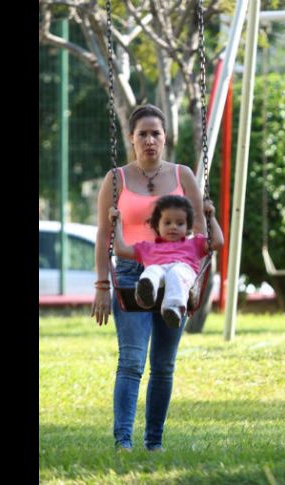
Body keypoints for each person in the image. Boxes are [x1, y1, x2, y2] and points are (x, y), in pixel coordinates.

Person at [91, 104, 209, 452]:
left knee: (163, 364)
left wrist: (196, 279)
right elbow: (103, 235)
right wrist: (101, 285)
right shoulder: (117, 179)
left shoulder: (182, 175)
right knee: (130, 360)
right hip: (130, 274)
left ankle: (153, 442)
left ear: (165, 137)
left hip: (175, 274)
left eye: (155, 133)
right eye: (142, 134)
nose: (149, 140)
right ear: (131, 139)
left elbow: (201, 228)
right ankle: (123, 441)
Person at [109, 195, 224, 327]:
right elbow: (121, 250)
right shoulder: (147, 247)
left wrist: (211, 217)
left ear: (188, 226)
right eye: (167, 222)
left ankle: (173, 308)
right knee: (152, 270)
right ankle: (147, 292)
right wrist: (116, 224)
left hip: (183, 273)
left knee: (176, 272)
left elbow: (218, 243)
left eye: (180, 223)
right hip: (160, 277)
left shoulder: (194, 243)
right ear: (157, 225)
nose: (173, 227)